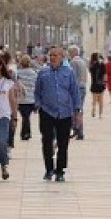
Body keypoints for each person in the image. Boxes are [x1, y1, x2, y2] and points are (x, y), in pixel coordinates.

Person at [33, 45, 83, 182]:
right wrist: (38, 104)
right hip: (47, 112)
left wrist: (77, 111)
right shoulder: (43, 73)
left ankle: (60, 170)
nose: (53, 57)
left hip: (65, 112)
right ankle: (49, 169)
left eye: (56, 55)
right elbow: (37, 91)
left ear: (62, 57)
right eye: (51, 55)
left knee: (63, 143)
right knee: (47, 141)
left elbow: (75, 92)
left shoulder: (69, 72)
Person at [14, 55, 39, 141]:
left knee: (25, 116)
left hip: (21, 100)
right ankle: (26, 133)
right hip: (31, 99)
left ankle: (25, 133)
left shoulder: (18, 73)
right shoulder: (34, 73)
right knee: (26, 116)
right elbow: (36, 86)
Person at [67, 45, 89, 139]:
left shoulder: (73, 62)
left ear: (73, 52)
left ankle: (77, 129)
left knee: (74, 110)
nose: (69, 54)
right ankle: (79, 131)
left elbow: (72, 77)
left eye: (70, 53)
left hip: (76, 89)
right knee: (79, 109)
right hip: (83, 87)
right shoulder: (83, 62)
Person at [88, 52, 107, 118]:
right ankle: (100, 114)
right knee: (101, 100)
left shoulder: (91, 66)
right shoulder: (102, 65)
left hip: (94, 84)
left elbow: (91, 74)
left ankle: (93, 110)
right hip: (101, 84)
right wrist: (105, 83)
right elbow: (105, 76)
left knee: (94, 100)